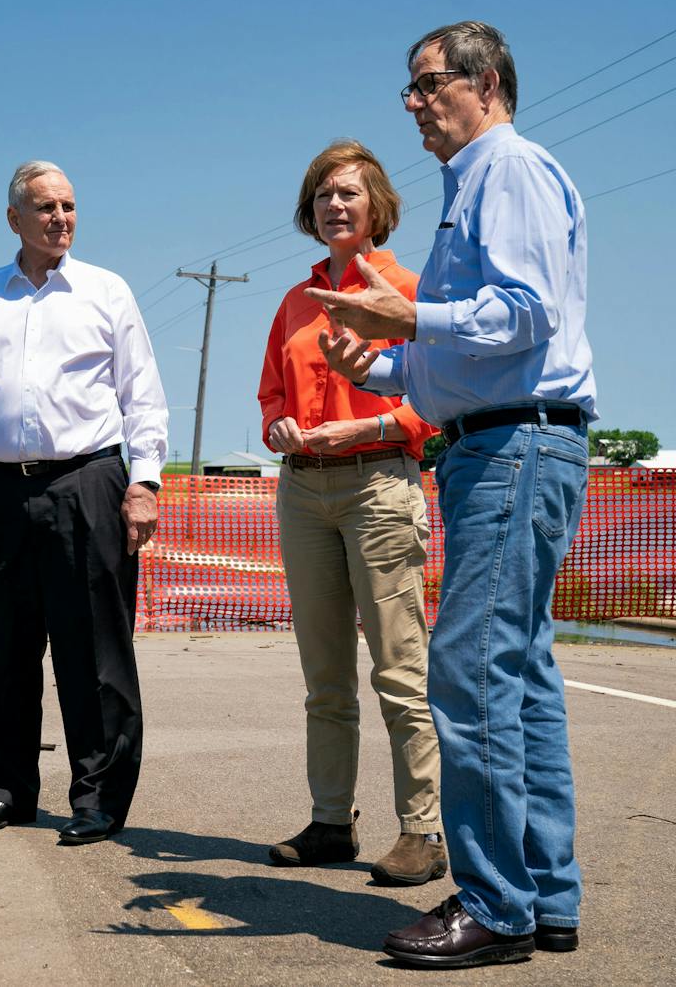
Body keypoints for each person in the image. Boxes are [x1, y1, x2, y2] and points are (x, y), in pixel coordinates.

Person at [312, 21, 597, 968]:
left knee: (469, 675)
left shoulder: (505, 169)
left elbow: (525, 312)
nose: (412, 101)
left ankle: (495, 903)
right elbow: (462, 355)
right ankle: (543, 896)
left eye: (426, 82)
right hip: (505, 441)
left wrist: (408, 312)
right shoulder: (469, 186)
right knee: (518, 683)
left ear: (484, 83)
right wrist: (388, 363)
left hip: (515, 445)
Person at [0, 160, 168, 846]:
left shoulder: (106, 292)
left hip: (87, 482)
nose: (60, 219)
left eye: (68, 207)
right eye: (45, 208)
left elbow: (142, 396)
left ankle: (98, 798)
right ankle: (5, 791)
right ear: (14, 219)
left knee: (92, 649)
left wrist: (144, 483)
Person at [258, 140, 445, 886]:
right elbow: (272, 391)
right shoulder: (294, 302)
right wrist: (278, 426)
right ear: (311, 210)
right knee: (325, 675)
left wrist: (364, 429)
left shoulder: (404, 291)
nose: (336, 206)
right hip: (303, 489)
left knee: (399, 670)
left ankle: (423, 832)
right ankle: (331, 822)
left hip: (379, 485)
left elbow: (433, 402)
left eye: (349, 194)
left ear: (377, 207)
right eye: (324, 195)